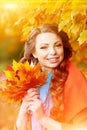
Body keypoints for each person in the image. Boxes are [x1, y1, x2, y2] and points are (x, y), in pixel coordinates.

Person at [15, 24, 87, 130]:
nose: (53, 52)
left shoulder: (74, 79)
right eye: (44, 47)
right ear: (34, 52)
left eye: (58, 45)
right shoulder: (30, 78)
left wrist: (43, 119)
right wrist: (23, 110)